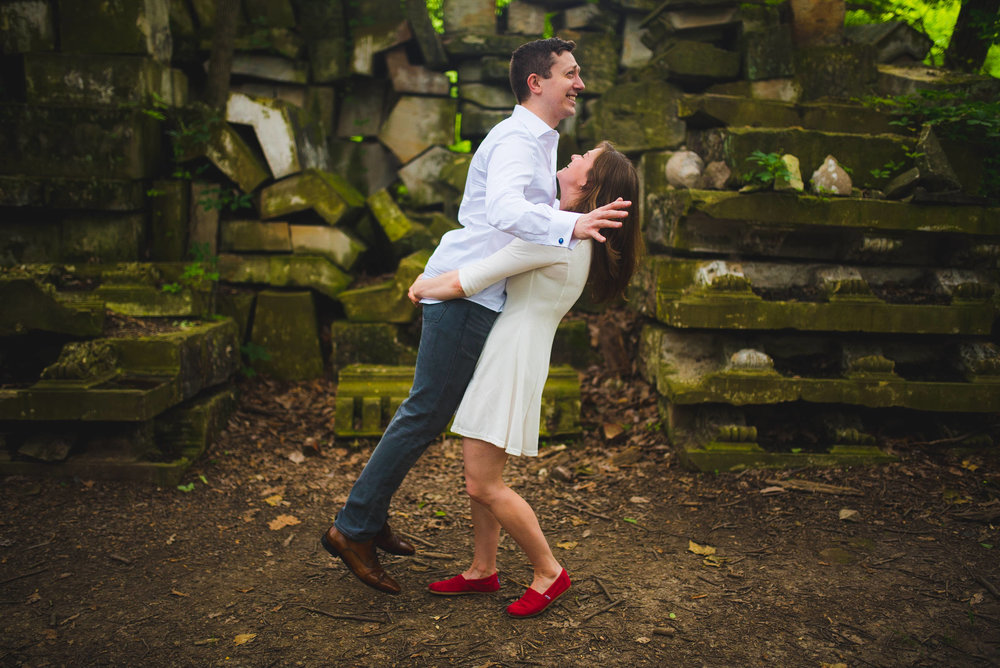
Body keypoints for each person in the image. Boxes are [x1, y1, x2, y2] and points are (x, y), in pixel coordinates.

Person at [321, 37, 631, 595]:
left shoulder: (537, 144)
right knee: (424, 412)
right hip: (467, 298)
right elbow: (506, 213)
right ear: (537, 82)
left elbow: (520, 225)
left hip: (475, 297)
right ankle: (354, 527)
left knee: (427, 413)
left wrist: (567, 217)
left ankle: (370, 516)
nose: (580, 83)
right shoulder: (517, 139)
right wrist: (573, 225)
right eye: (571, 73)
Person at [408, 141, 641, 618]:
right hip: (515, 348)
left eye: (583, 159)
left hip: (510, 355)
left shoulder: (557, 236)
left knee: (482, 483)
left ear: (589, 184)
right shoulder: (566, 233)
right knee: (482, 475)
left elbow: (472, 277)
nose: (573, 158)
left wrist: (421, 286)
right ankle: (482, 570)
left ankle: (549, 571)